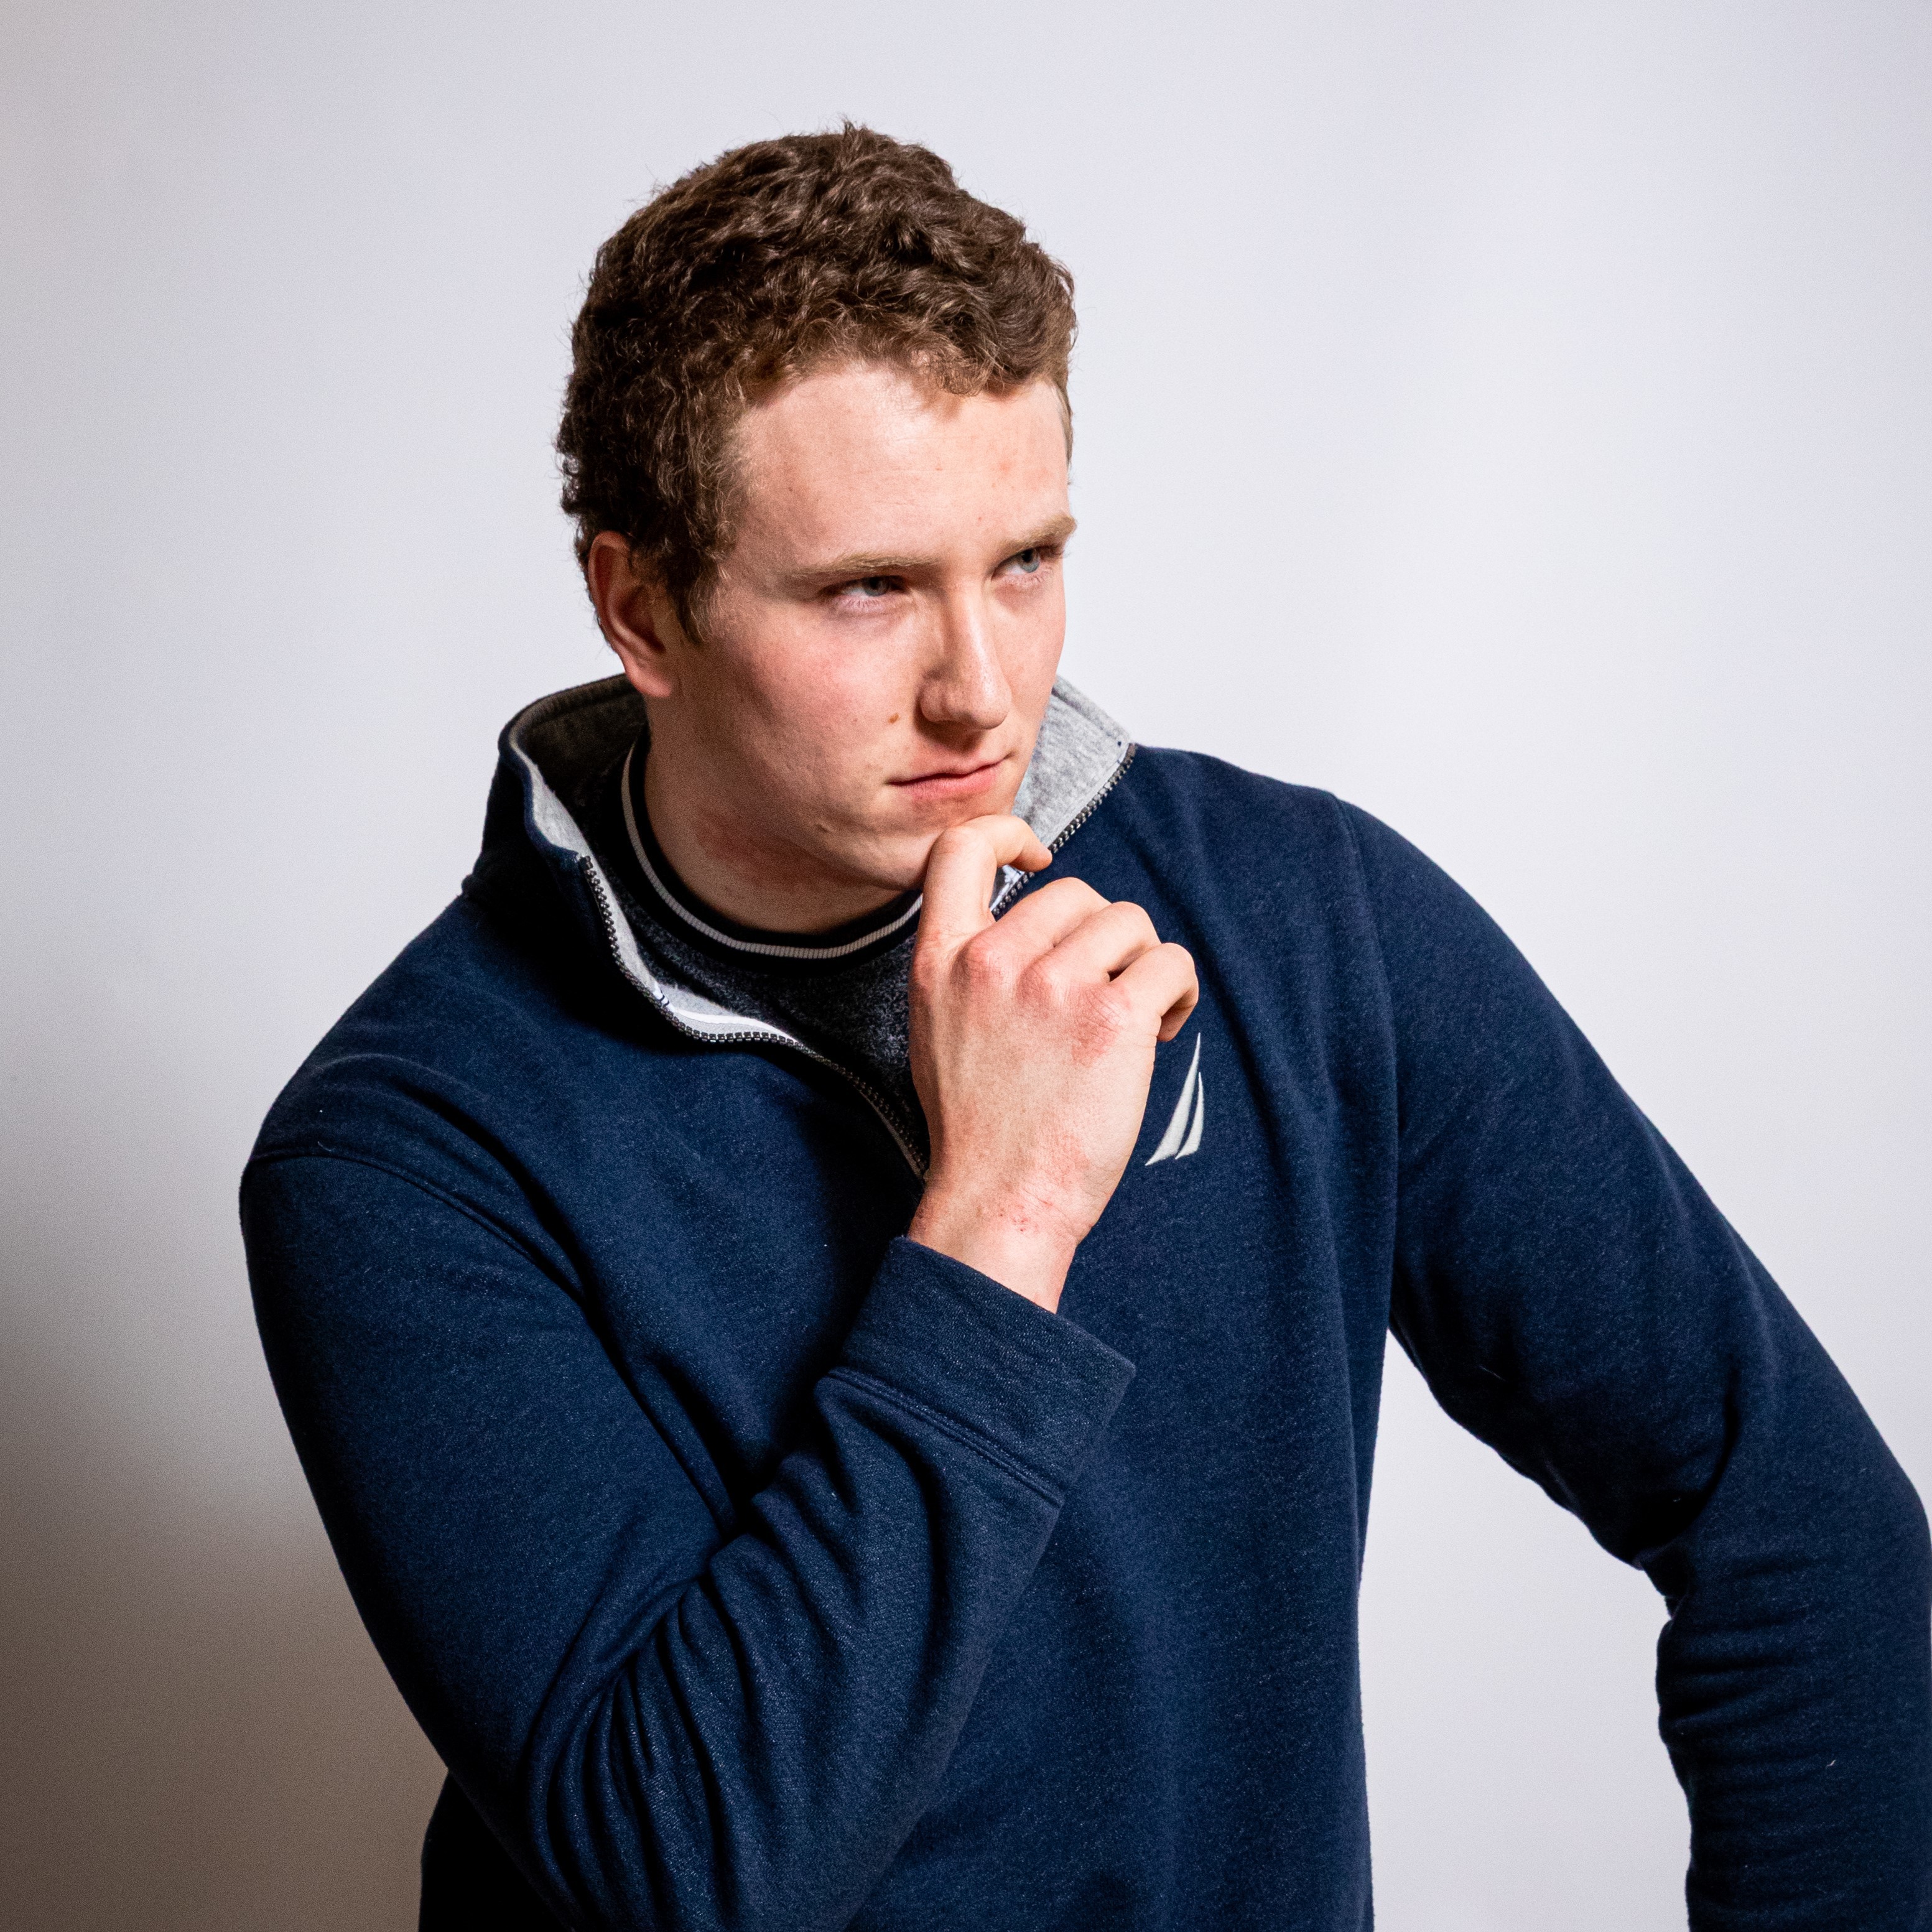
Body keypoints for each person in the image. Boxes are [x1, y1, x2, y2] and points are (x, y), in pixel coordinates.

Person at [240, 126, 1930, 1931]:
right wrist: (1004, 1214)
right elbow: (697, 1876)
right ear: (640, 606)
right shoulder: (409, 1148)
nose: (982, 688)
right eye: (869, 587)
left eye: (1027, 560)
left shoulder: (1302, 922)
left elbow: (1798, 1529)